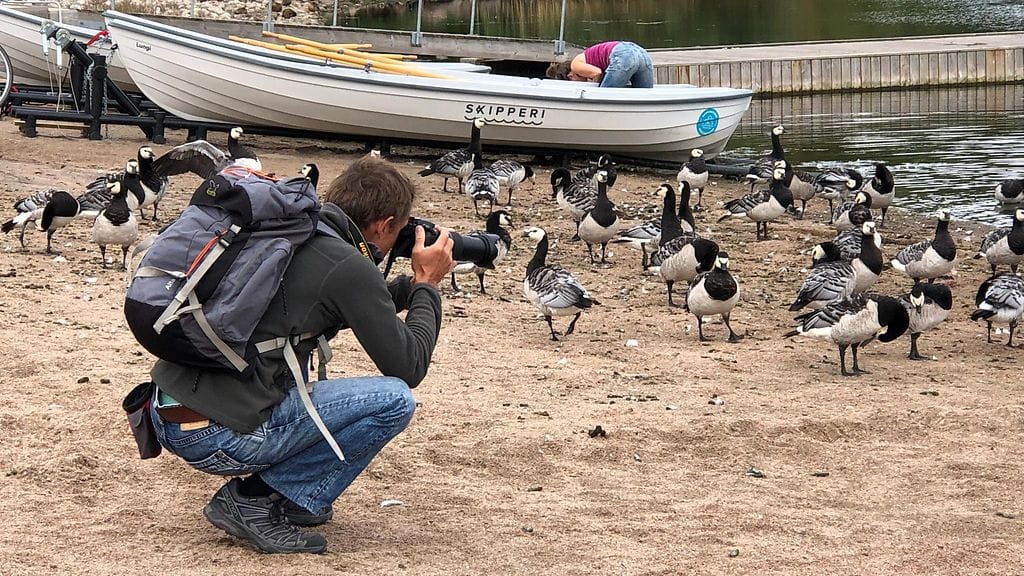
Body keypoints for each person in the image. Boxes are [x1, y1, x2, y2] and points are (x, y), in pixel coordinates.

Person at [147, 155, 454, 554]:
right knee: (393, 400)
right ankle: (254, 498)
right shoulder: (346, 265)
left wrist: (406, 287)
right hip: (216, 436)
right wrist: (428, 284)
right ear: (384, 224)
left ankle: (291, 497)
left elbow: (336, 304)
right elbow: (408, 365)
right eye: (398, 231)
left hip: (171, 412)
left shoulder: (294, 232)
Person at [546, 40, 655, 88]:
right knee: (645, 95)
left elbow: (597, 73)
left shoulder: (575, 65)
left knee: (603, 97)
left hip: (623, 55)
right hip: (642, 53)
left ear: (570, 76)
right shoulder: (586, 58)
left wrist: (592, 89)